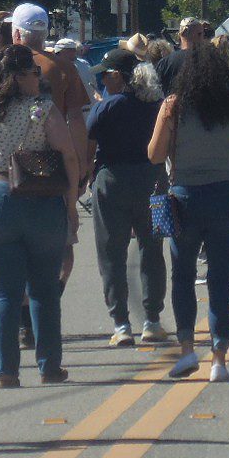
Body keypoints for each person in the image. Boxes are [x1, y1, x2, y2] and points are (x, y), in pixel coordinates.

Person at [148, 45, 229, 383]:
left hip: (185, 195)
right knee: (221, 277)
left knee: (183, 275)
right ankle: (219, 358)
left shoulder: (173, 106)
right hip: (226, 195)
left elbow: (154, 155)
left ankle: (186, 350)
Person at [0, 45, 81, 387]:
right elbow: (69, 156)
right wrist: (71, 204)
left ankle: (5, 371)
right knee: (44, 289)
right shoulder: (43, 109)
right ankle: (49, 365)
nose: (39, 79)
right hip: (39, 200)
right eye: (35, 73)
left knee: (3, 292)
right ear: (21, 77)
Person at [85, 47, 168, 346]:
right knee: (153, 249)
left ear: (117, 77)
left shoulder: (107, 107)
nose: (102, 82)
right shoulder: (157, 104)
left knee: (111, 252)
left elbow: (89, 144)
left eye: (106, 76)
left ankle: (121, 323)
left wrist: (85, 178)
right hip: (155, 180)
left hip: (112, 181)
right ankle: (152, 320)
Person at [11, 4, 91, 186]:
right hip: (52, 159)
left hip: (8, 158)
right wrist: (81, 163)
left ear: (16, 34)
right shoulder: (65, 67)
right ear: (45, 34)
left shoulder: (0, 64)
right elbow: (76, 118)